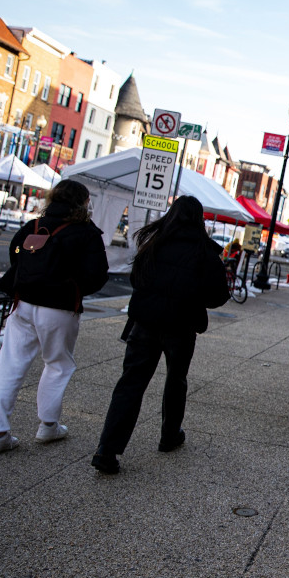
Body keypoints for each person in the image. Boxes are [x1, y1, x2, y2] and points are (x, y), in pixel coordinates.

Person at [92, 196, 229, 474]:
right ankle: (169, 435)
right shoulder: (205, 253)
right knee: (176, 379)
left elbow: (136, 280)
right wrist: (192, 296)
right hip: (181, 326)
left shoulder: (153, 243)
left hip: (145, 322)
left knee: (131, 383)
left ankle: (107, 449)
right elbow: (218, 295)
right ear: (199, 220)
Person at [0, 179, 109, 455]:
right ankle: (48, 425)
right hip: (60, 306)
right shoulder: (86, 232)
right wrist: (74, 287)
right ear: (84, 203)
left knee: (9, 363)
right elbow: (98, 274)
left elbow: (15, 252)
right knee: (58, 364)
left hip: (24, 301)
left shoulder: (35, 225)